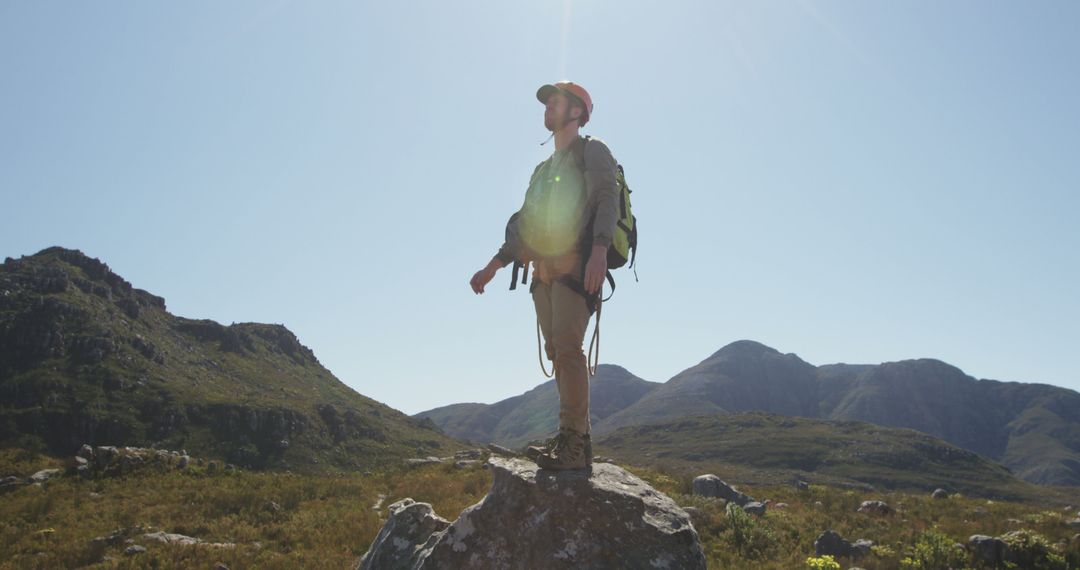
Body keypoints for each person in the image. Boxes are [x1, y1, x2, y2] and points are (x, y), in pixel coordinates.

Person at [469, 81, 619, 470]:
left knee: (568, 351)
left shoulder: (593, 151)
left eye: (555, 103)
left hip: (576, 267)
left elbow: (607, 197)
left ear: (576, 112)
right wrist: (495, 265)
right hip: (543, 273)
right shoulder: (542, 169)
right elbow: (525, 223)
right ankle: (572, 440)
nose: (547, 109)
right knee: (557, 352)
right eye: (547, 103)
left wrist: (600, 250)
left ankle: (574, 443)